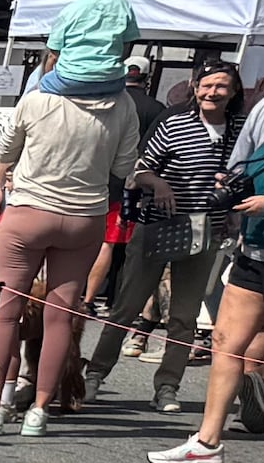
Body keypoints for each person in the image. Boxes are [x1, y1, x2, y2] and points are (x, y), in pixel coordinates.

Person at [150, 54, 264, 463]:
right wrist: (234, 184)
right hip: (255, 251)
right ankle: (207, 442)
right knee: (226, 342)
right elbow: (255, 166)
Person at [0, 46, 131, 430]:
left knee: (6, 311)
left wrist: (3, 181)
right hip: (85, 215)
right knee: (60, 316)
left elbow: (6, 150)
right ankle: (40, 409)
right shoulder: (121, 102)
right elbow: (124, 166)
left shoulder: (35, 98)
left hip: (29, 210)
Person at [88, 64, 240, 414]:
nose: (212, 92)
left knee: (185, 316)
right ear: (193, 86)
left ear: (233, 92)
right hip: (157, 226)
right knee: (126, 307)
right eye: (206, 85)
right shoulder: (174, 121)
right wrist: (157, 183)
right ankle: (95, 373)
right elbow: (139, 168)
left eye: (221, 87)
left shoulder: (239, 127)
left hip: (207, 231)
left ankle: (168, 386)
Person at [42, 0, 137, 98]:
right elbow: (126, 47)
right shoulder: (123, 5)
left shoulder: (70, 10)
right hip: (111, 81)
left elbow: (53, 55)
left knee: (41, 86)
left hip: (71, 79)